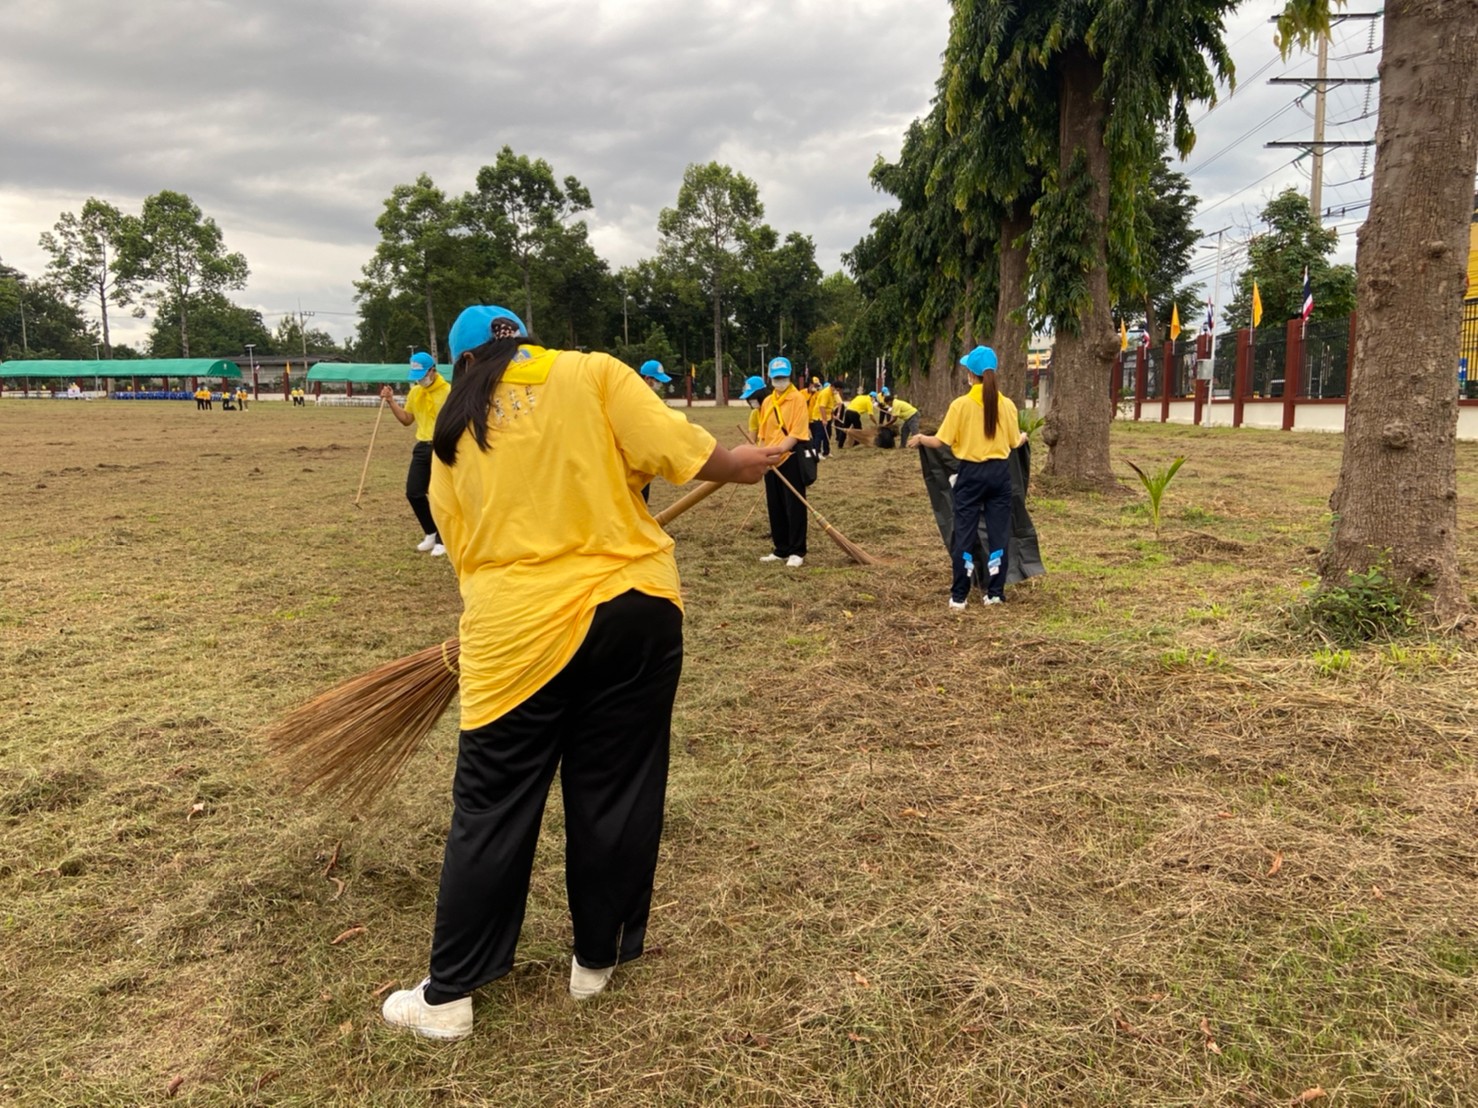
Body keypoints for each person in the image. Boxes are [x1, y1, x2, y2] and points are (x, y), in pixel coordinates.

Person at [379, 305, 779, 1041]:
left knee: (492, 806)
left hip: (514, 634)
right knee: (617, 788)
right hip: (635, 611)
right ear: (526, 342)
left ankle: (449, 999)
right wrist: (744, 463)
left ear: (464, 362)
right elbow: (684, 453)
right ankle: (596, 962)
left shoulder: (450, 433)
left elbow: (461, 550)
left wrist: (501, 613)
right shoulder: (593, 372)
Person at [908, 345, 1025, 609]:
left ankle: (959, 596)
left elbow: (940, 441)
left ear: (971, 375)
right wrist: (1024, 438)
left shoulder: (961, 405)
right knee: (998, 535)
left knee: (964, 534)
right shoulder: (1007, 405)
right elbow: (1015, 441)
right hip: (999, 475)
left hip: (970, 475)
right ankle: (995, 593)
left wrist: (921, 439)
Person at [380, 353, 451, 556]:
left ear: (432, 370)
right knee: (414, 492)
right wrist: (391, 401)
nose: (420, 379)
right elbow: (406, 419)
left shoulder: (448, 391)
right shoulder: (415, 393)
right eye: (417, 376)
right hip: (422, 446)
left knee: (440, 496)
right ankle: (431, 532)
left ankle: (443, 539)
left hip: (442, 446)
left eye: (423, 374)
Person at [755, 357, 811, 567]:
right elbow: (763, 432)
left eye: (784, 377)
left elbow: (797, 432)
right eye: (777, 377)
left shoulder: (797, 399)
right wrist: (763, 456)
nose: (780, 381)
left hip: (790, 458)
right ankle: (781, 549)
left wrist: (779, 450)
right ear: (770, 379)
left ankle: (797, 550)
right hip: (770, 461)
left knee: (794, 505)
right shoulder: (768, 402)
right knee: (775, 505)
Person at [636, 361, 672, 503]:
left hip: (646, 458)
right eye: (657, 380)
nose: (659, 384)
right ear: (647, 379)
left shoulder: (649, 398)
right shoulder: (635, 398)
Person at [807, 377, 835, 459]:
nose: (815, 387)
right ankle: (816, 452)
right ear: (810, 384)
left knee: (824, 435)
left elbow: (828, 406)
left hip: (816, 417)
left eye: (817, 385)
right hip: (811, 417)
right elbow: (821, 407)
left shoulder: (819, 393)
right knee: (816, 436)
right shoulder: (802, 393)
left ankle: (825, 451)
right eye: (814, 385)